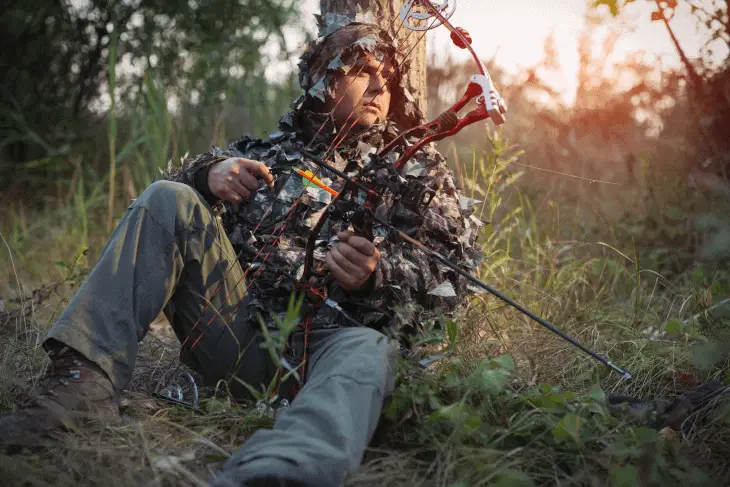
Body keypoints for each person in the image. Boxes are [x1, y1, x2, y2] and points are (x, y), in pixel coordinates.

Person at [0, 21, 484, 487]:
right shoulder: (264, 154)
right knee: (168, 197)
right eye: (362, 72)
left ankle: (284, 469)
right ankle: (80, 389)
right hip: (241, 340)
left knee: (367, 348)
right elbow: (164, 219)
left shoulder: (416, 167)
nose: (381, 87)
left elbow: (453, 273)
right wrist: (204, 177)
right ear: (321, 80)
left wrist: (376, 274)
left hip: (331, 353)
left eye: (388, 78)